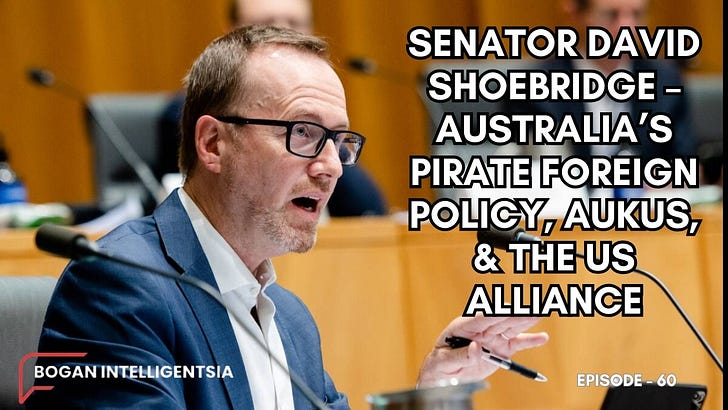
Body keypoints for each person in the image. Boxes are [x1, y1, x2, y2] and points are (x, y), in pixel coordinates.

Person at [28, 25, 548, 409]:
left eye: (340, 141)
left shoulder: (291, 319)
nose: (331, 167)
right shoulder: (119, 286)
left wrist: (435, 389)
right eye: (304, 133)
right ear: (213, 143)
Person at [157, 0, 387, 217]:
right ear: (230, 35)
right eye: (265, 26)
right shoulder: (195, 110)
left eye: (295, 24)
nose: (283, 35)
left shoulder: (322, 115)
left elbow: (371, 209)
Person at [507, 0, 697, 161]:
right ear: (575, 14)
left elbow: (686, 163)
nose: (627, 27)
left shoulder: (666, 81)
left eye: (637, 15)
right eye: (611, 15)